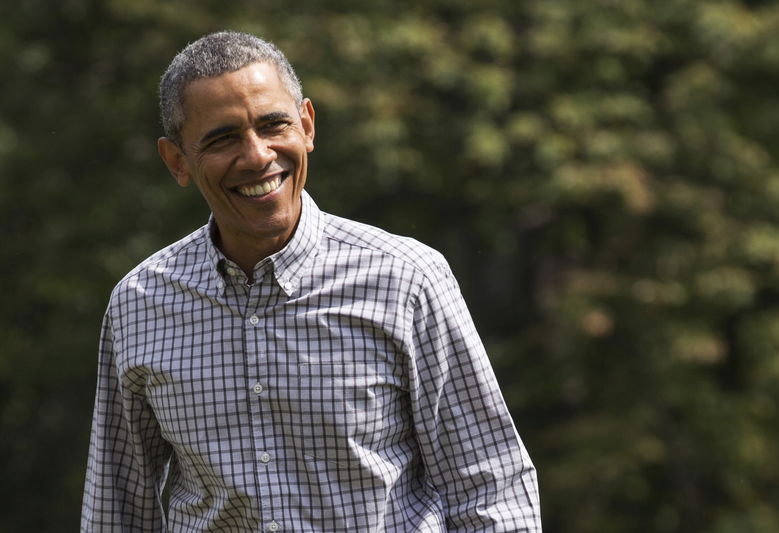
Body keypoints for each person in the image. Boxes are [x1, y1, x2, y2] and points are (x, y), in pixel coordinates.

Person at [81, 30, 541, 532]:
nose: (257, 155)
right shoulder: (140, 304)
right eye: (223, 138)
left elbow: (492, 489)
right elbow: (117, 508)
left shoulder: (406, 279)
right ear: (177, 162)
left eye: (273, 125)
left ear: (306, 125)